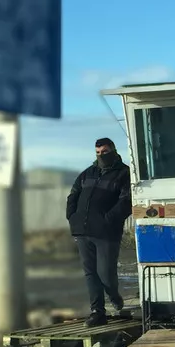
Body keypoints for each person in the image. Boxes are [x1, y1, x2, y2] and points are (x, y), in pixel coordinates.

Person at [66, 137, 132, 327]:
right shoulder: (87, 174)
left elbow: (126, 201)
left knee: (105, 273)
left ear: (112, 150)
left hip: (107, 233)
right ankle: (97, 312)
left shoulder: (123, 173)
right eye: (98, 153)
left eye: (104, 152)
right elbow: (73, 195)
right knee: (90, 273)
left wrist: (108, 220)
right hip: (83, 231)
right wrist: (72, 216)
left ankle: (114, 296)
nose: (101, 156)